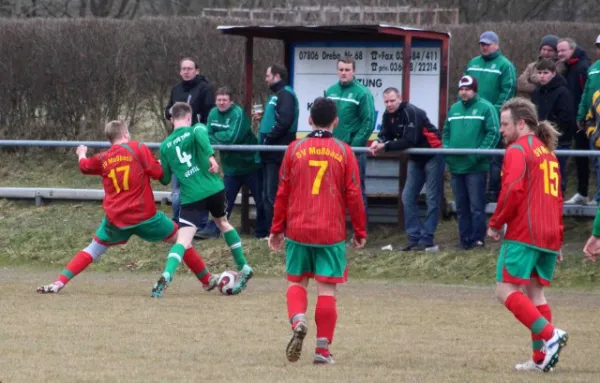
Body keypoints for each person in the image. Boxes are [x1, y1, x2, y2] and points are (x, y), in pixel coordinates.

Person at [37, 120, 216, 294]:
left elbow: (84, 167)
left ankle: (58, 282)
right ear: (125, 134)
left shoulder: (103, 158)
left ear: (109, 139)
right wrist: (165, 163)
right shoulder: (138, 148)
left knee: (92, 250)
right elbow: (159, 174)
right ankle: (207, 280)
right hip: (145, 216)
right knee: (182, 240)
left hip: (116, 219)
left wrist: (81, 153)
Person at [268, 97, 367, 365]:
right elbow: (354, 195)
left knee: (297, 282)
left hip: (298, 229)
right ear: (336, 121)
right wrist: (360, 230)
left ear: (309, 120)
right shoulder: (345, 151)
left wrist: (276, 228)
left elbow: (282, 192)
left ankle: (298, 320)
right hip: (330, 231)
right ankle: (322, 351)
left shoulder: (293, 149)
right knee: (327, 290)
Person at [487, 97, 568, 372]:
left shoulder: (518, 150)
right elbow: (557, 198)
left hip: (525, 232)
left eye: (505, 124)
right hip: (548, 233)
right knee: (536, 295)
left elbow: (512, 190)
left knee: (504, 289)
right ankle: (539, 359)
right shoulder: (548, 153)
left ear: (521, 124)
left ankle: (550, 335)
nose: (502, 130)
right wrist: (558, 238)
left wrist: (497, 222)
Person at [151, 102, 253, 297]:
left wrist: (156, 166)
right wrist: (211, 157)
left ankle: (167, 274)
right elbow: (200, 134)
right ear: (189, 117)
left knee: (182, 240)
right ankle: (243, 266)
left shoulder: (165, 146)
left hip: (191, 196)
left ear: (172, 120)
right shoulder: (197, 128)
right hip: (214, 189)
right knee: (223, 223)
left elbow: (164, 179)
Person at [369, 87, 443, 251]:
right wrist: (378, 141)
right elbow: (385, 134)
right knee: (407, 196)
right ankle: (414, 237)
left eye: (392, 101)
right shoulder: (388, 115)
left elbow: (410, 140)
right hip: (416, 158)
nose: (389, 104)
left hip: (433, 154)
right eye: (386, 101)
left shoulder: (411, 112)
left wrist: (385, 146)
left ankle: (427, 238)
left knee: (432, 198)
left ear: (400, 99)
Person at [197, 87, 268, 239]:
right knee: (223, 200)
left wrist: (216, 137)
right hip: (230, 167)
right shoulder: (212, 113)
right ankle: (215, 230)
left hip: (250, 163)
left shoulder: (238, 114)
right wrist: (218, 137)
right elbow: (207, 135)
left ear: (231, 101)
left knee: (260, 200)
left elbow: (232, 139)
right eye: (219, 100)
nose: (221, 103)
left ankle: (262, 231)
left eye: (224, 100)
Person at [443, 75, 500, 250]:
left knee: (476, 206)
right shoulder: (453, 109)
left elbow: (494, 133)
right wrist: (447, 151)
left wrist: (478, 154)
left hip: (476, 167)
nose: (464, 92)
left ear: (474, 90)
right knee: (461, 207)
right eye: (461, 89)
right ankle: (464, 240)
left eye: (467, 89)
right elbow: (445, 132)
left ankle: (478, 240)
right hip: (456, 167)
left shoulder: (486, 108)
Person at [464, 31, 517, 203]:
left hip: (495, 118)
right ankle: (474, 191)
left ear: (496, 45)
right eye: (482, 44)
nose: (484, 47)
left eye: (487, 44)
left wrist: (493, 112)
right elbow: (465, 87)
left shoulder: (505, 65)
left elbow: (508, 91)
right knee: (475, 155)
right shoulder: (473, 63)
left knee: (494, 157)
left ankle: (493, 191)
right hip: (474, 117)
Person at [164, 57, 216, 225]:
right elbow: (168, 109)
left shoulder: (205, 88)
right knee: (177, 185)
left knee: (197, 182)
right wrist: (169, 113)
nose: (186, 71)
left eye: (189, 68)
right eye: (183, 69)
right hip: (177, 142)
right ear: (180, 71)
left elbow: (209, 115)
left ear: (197, 70)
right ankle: (177, 220)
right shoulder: (176, 89)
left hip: (194, 143)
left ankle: (198, 221)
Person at [326, 57, 376, 224]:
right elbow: (324, 118)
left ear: (353, 71)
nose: (344, 73)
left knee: (356, 191)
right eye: (341, 69)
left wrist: (354, 147)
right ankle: (334, 227)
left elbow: (368, 122)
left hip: (353, 152)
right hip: (332, 150)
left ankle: (360, 231)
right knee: (332, 190)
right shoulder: (330, 90)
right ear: (337, 71)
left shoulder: (362, 93)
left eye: (347, 70)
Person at [256, 64, 299, 234]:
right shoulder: (278, 95)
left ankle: (279, 231)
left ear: (277, 76)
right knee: (267, 194)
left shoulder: (286, 94)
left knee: (273, 194)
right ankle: (270, 230)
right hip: (269, 152)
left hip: (277, 151)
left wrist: (269, 138)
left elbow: (285, 121)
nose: (266, 79)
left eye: (268, 75)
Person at [531, 58, 577, 193]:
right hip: (539, 142)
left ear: (553, 73)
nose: (542, 76)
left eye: (545, 73)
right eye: (539, 73)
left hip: (559, 141)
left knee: (557, 176)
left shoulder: (563, 92)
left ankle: (559, 207)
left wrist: (549, 132)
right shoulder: (536, 93)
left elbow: (566, 118)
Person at [557, 38, 592, 205]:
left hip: (585, 121)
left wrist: (584, 117)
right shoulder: (569, 68)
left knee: (587, 157)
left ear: (572, 49)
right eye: (558, 51)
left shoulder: (582, 68)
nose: (560, 54)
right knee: (580, 158)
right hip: (576, 120)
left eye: (563, 50)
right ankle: (582, 192)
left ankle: (587, 193)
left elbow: (587, 94)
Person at [578, 35, 600, 206]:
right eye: (598, 47)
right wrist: (581, 116)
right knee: (597, 164)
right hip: (596, 124)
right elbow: (585, 94)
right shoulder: (593, 69)